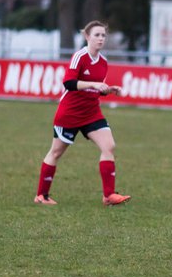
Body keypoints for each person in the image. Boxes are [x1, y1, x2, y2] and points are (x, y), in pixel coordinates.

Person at [34, 20, 129, 206]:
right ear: (87, 36)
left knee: (109, 146)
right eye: (97, 35)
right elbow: (69, 83)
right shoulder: (80, 56)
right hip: (70, 113)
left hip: (91, 112)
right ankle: (41, 195)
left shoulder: (103, 62)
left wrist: (107, 90)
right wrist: (93, 84)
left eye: (103, 35)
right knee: (56, 152)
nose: (101, 39)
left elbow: (95, 89)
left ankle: (109, 195)